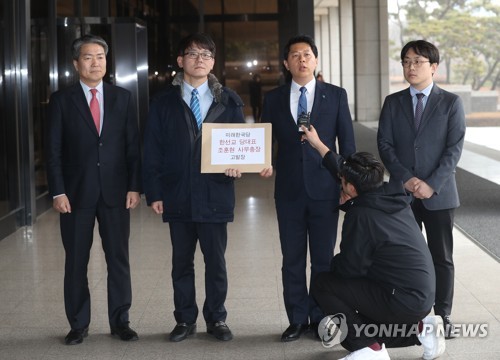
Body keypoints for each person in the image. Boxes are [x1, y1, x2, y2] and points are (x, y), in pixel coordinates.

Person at [302, 125, 445, 360]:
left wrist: (333, 267)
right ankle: (424, 329)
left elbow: (351, 268)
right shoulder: (394, 196)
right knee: (354, 325)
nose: (340, 182)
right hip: (420, 296)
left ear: (351, 187)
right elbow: (346, 171)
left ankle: (370, 350)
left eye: (343, 181)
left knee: (324, 285)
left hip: (401, 299)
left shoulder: (361, 216)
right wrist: (318, 144)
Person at [142, 33, 246, 343]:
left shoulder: (229, 100)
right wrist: (155, 191)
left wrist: (238, 164)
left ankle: (217, 319)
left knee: (216, 262)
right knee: (181, 263)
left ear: (213, 62)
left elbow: (242, 144)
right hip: (178, 192)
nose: (199, 59)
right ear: (180, 60)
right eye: (192, 53)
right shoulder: (163, 101)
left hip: (216, 191)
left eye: (206, 55)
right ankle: (185, 320)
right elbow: (152, 150)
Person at [46, 34, 142, 345]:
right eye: (88, 57)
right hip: (75, 195)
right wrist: (58, 191)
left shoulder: (122, 98)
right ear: (76, 64)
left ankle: (121, 321)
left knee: (118, 258)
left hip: (115, 192)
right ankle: (78, 324)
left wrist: (134, 187)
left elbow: (132, 148)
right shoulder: (62, 100)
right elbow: (53, 151)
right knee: (76, 260)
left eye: (100, 56)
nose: (95, 62)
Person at [260, 34, 356, 342]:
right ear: (287, 64)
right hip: (288, 192)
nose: (302, 59)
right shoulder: (273, 99)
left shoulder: (336, 95)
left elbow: (349, 145)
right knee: (292, 259)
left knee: (323, 260)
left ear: (315, 60)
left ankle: (321, 317)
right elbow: (263, 141)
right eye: (295, 55)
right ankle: (297, 319)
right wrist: (262, 162)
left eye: (307, 54)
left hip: (325, 190)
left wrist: (348, 183)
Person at [377, 40, 466, 339]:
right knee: (404, 256)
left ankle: (443, 316)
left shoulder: (451, 103)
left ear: (434, 67)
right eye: (405, 61)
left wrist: (430, 184)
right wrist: (405, 179)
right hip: (401, 194)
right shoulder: (392, 102)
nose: (410, 67)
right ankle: (410, 316)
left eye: (417, 61)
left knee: (441, 257)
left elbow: (454, 150)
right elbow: (384, 145)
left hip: (439, 195)